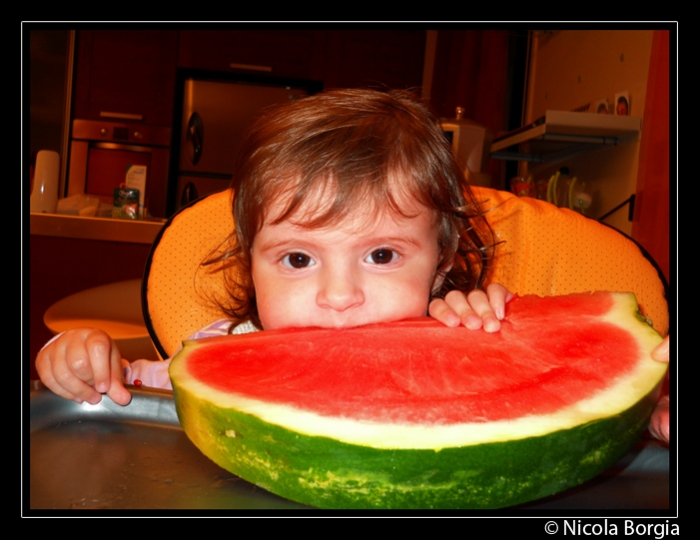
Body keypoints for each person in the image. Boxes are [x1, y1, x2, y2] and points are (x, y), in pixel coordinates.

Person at [35, 89, 669, 443]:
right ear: (249, 264)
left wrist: (501, 341)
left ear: (442, 263)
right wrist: (81, 366)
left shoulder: (462, 335)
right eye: (299, 258)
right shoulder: (221, 351)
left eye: (383, 254)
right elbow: (129, 399)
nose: (339, 295)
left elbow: (569, 412)